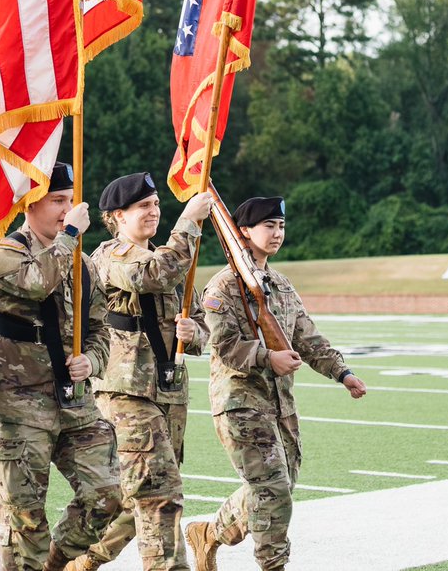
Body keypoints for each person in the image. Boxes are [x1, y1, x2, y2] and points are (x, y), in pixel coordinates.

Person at [186, 196, 367, 571]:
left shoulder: (280, 286)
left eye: (281, 226)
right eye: (269, 226)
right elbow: (224, 345)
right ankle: (273, 565)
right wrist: (269, 358)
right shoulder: (222, 288)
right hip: (240, 402)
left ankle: (209, 533)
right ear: (244, 233)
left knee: (275, 487)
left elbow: (308, 339)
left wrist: (343, 374)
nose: (277, 233)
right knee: (273, 491)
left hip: (279, 404)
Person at [0, 162, 122, 571]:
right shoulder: (6, 253)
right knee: (24, 519)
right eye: (57, 200)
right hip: (19, 404)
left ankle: (54, 564)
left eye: (70, 200)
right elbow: (39, 281)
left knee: (107, 495)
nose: (67, 208)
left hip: (74, 402)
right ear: (30, 204)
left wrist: (91, 359)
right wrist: (71, 235)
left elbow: (100, 330)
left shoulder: (84, 264)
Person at [74, 173, 213, 571]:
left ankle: (77, 560)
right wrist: (188, 223)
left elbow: (204, 323)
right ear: (117, 216)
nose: (153, 212)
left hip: (169, 393)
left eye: (156, 205)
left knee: (132, 496)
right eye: (143, 207)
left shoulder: (173, 258)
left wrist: (195, 333)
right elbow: (153, 275)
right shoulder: (111, 256)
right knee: (159, 495)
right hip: (127, 393)